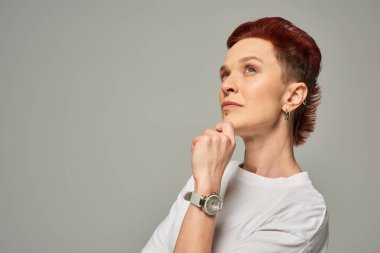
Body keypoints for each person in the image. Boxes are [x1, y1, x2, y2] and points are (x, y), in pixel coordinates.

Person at [141, 16, 329, 253]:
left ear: (292, 97)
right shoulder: (213, 174)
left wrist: (207, 187)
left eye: (250, 69)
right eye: (225, 74)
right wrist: (206, 182)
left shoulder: (303, 211)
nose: (227, 85)